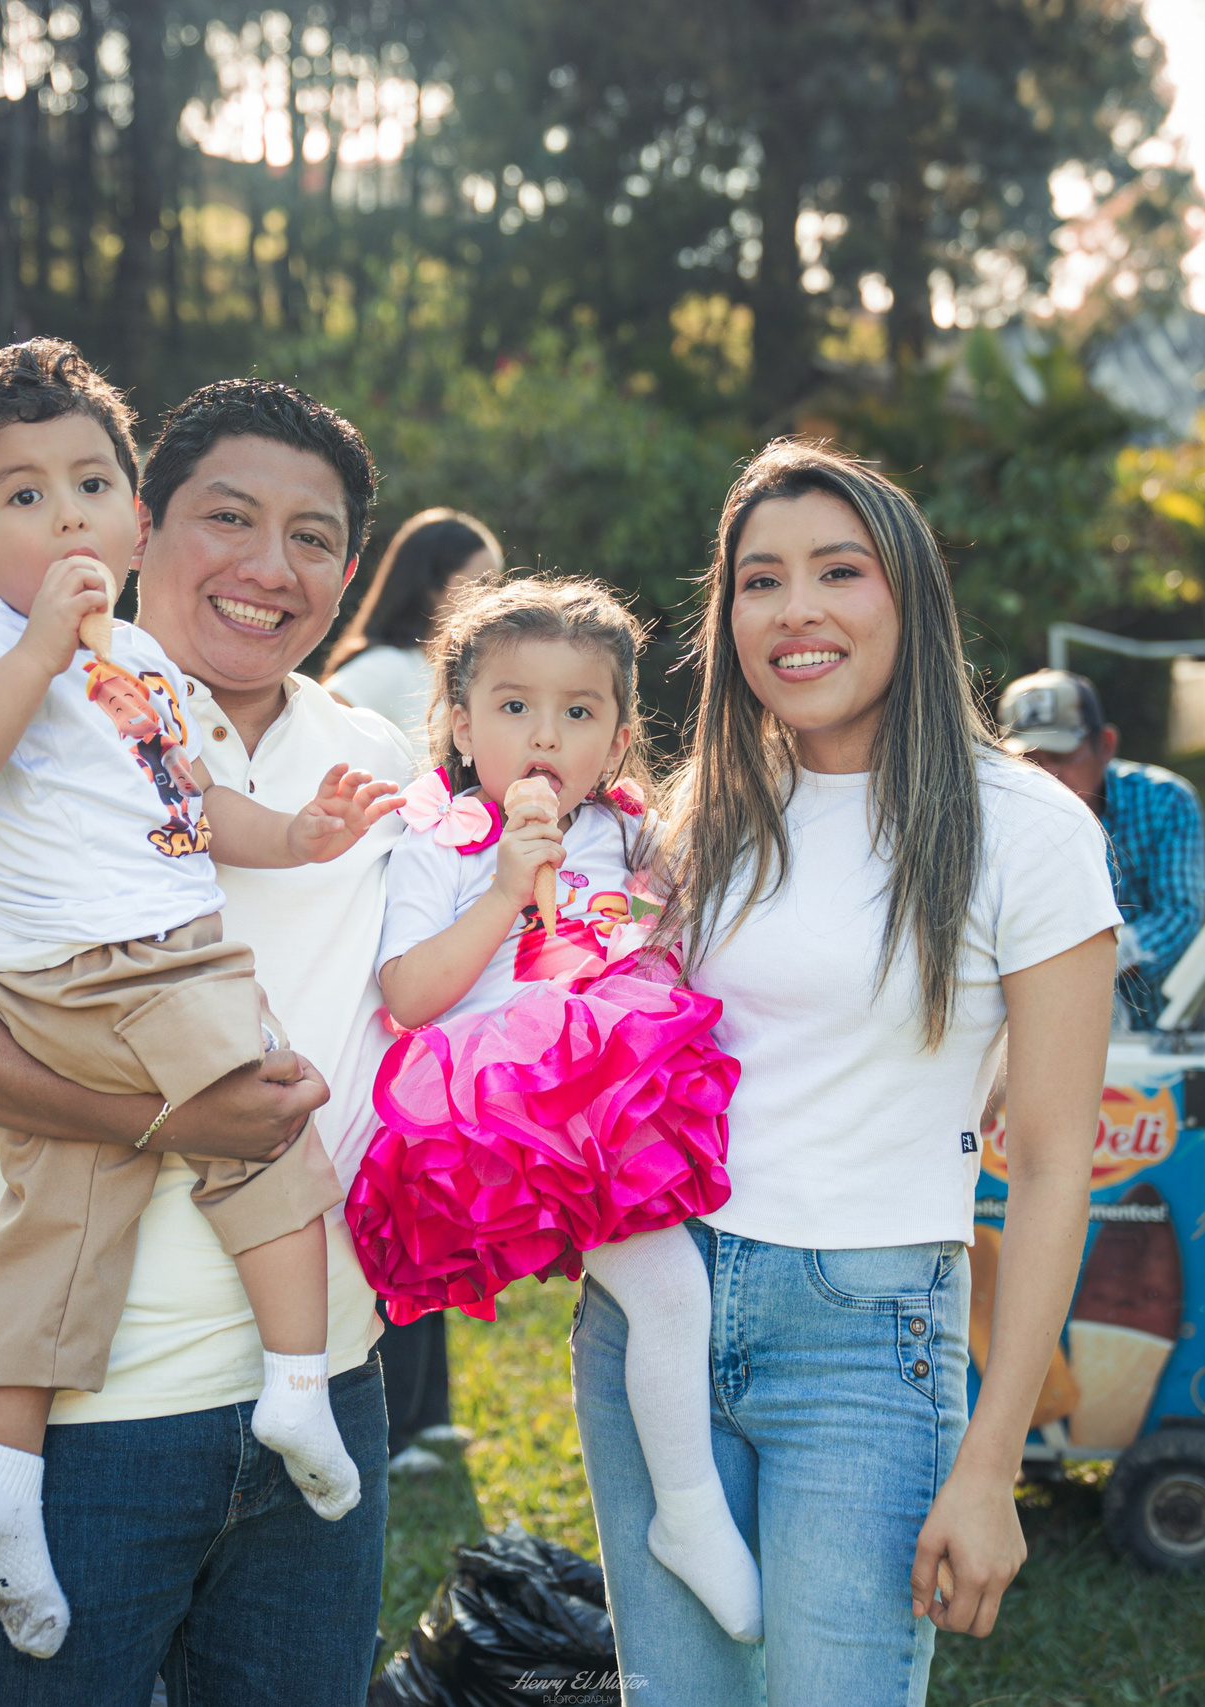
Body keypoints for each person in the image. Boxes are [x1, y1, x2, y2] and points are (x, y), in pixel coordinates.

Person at [0, 374, 419, 1703]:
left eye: (314, 538)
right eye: (231, 517)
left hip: (327, 1380)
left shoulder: (376, 757)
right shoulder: (20, 712)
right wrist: (166, 1119)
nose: (268, 567)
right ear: (154, 527)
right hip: (84, 1414)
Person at [570, 441, 1120, 1705]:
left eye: (837, 571)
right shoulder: (695, 817)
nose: (795, 611)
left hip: (866, 1342)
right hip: (652, 1310)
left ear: (908, 595)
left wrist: (992, 1463)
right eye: (759, 581)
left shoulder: (1026, 829)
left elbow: (1050, 1164)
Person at [346, 576, 758, 1641]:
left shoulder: (625, 833)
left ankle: (693, 1501)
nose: (544, 735)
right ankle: (689, 1512)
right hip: (502, 1113)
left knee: (676, 1287)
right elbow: (408, 993)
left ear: (618, 741)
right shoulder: (442, 838)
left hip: (614, 1099)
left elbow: (677, 933)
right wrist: (501, 889)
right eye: (514, 706)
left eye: (577, 712)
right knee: (669, 1292)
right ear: (459, 723)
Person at [323, 509, 505, 1476]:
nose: (491, 598)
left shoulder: (444, 674)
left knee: (432, 1192)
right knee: (396, 1191)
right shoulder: (374, 675)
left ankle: (427, 1409)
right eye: (478, 580)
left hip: (441, 942)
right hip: (394, 941)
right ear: (431, 582)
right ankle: (391, 1419)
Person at [999, 668, 1205, 1029]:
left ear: (1106, 745)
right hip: (1028, 1031)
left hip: (1151, 1032)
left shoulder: (1164, 801)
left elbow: (1178, 914)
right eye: (1028, 762)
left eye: (1061, 756)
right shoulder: (995, 814)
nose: (1045, 777)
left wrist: (1103, 960)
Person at [323, 507, 505, 739]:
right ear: (433, 583)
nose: (491, 599)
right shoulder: (388, 666)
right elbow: (314, 728)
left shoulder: (451, 677)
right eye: (482, 583)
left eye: (496, 586)